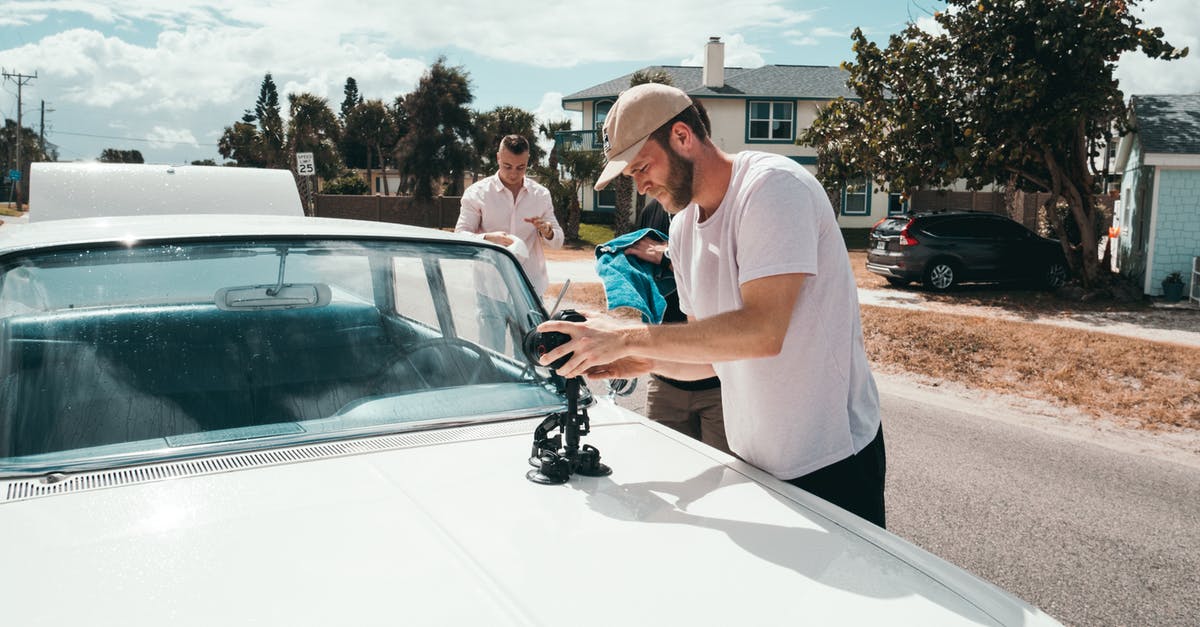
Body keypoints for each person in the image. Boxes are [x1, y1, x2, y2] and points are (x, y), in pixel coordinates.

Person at [537, 83, 886, 527]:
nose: (640, 185)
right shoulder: (682, 229)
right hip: (754, 462)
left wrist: (623, 335)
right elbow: (714, 357)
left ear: (683, 137)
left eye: (642, 166)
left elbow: (763, 332)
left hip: (832, 460)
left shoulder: (772, 188)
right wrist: (637, 359)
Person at [625, 197, 729, 455]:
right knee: (666, 466)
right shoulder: (652, 211)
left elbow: (726, 272)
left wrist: (669, 257)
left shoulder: (720, 211)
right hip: (664, 385)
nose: (642, 184)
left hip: (721, 386)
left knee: (727, 481)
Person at [456, 134, 563, 350]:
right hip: (490, 289)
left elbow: (558, 241)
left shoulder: (541, 195)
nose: (513, 173)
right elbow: (460, 236)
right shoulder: (477, 193)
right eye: (507, 166)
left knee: (528, 357)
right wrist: (487, 238)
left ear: (528, 161)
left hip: (528, 288)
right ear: (497, 158)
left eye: (520, 167)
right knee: (491, 355)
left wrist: (548, 231)